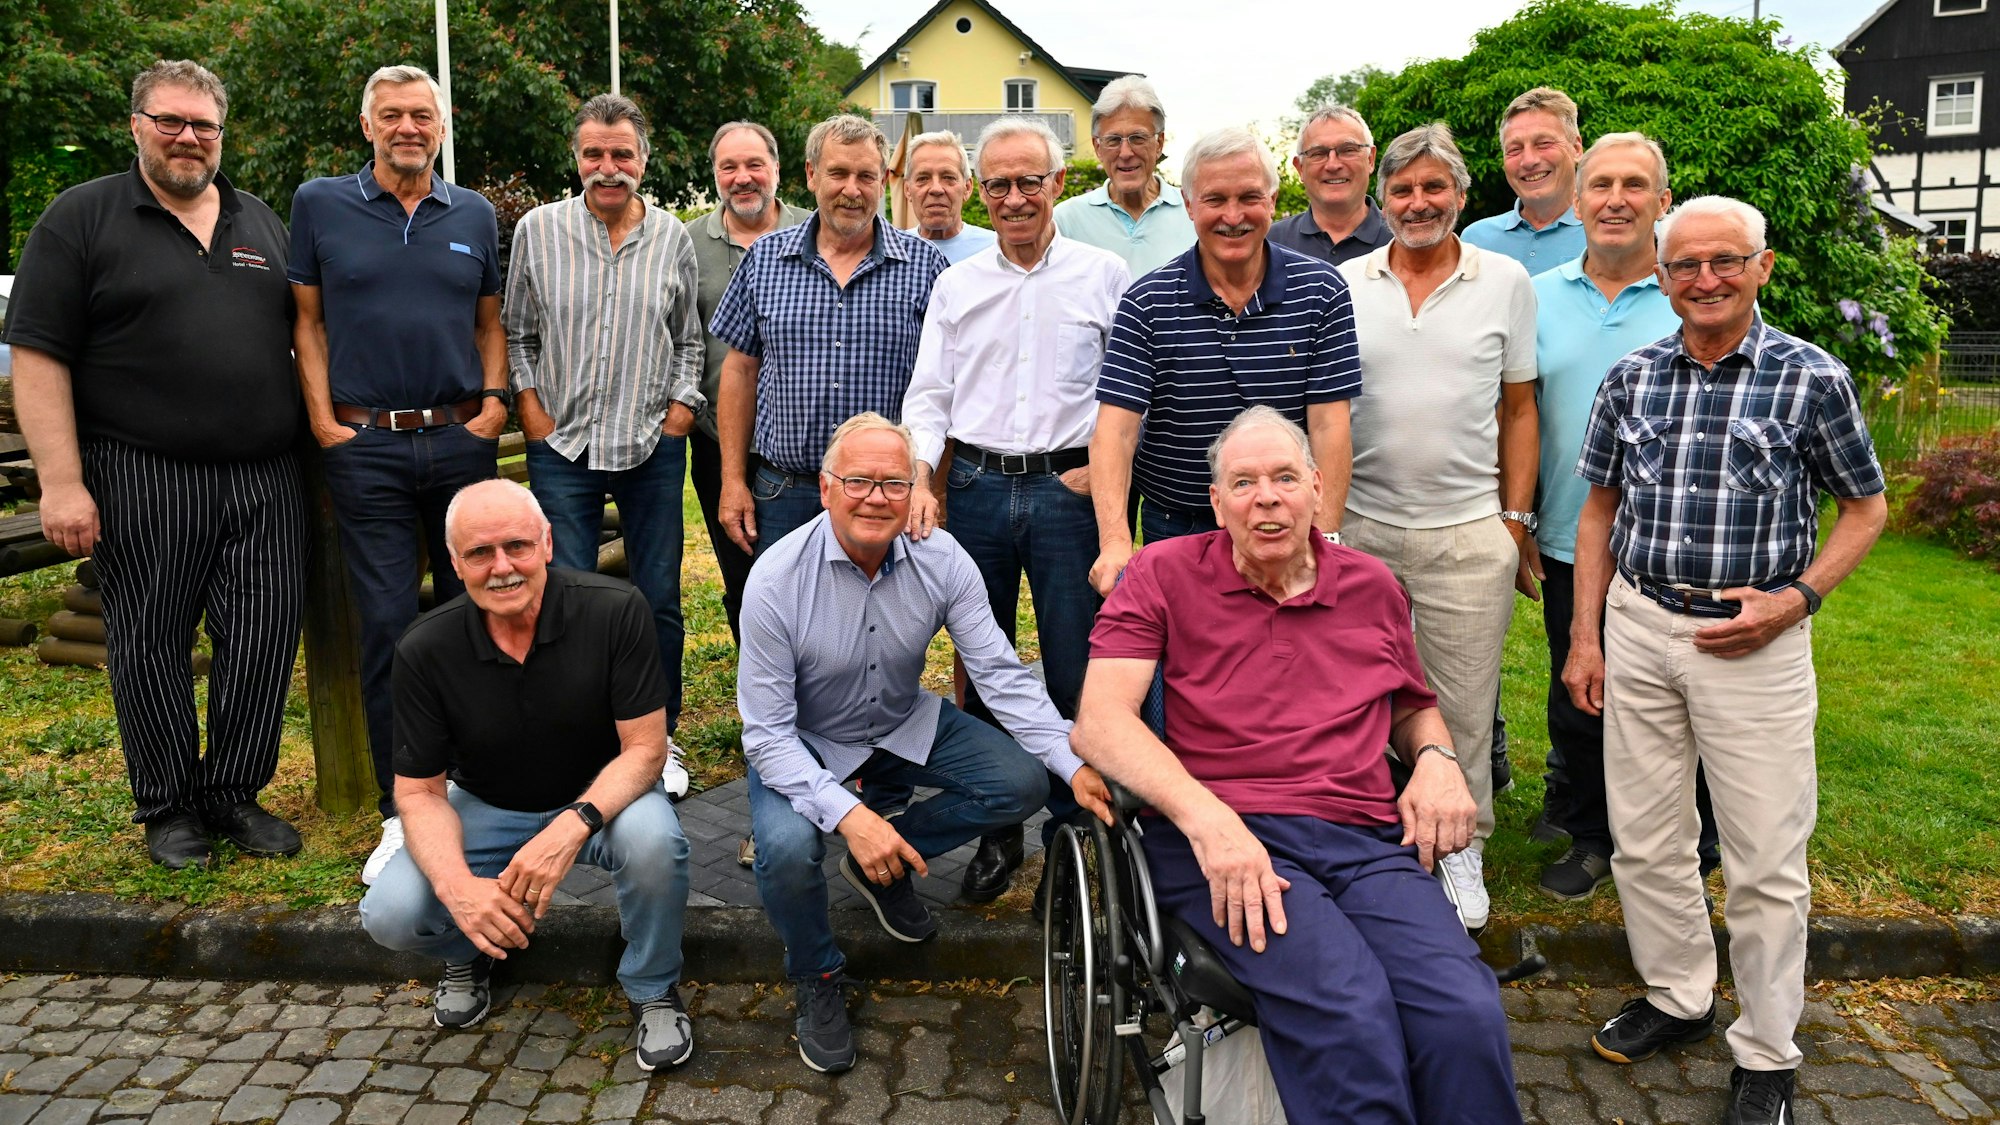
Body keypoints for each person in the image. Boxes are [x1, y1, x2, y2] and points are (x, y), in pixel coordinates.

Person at [1072, 406, 1521, 1125]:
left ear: (1317, 487)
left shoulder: (1371, 585)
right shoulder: (1162, 572)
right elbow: (1100, 721)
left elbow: (1411, 706)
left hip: (1362, 836)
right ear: (1216, 501)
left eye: (1284, 478)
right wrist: (1208, 820)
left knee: (1463, 1011)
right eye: (1243, 483)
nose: (1267, 499)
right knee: (1349, 1010)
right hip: (1222, 837)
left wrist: (1437, 759)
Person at [1567, 197, 1886, 1125]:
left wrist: (1797, 598)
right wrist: (1586, 636)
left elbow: (1865, 507)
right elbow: (1598, 510)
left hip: (1756, 641)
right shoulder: (1631, 377)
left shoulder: (1811, 378)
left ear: (1762, 267)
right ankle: (1679, 995)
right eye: (1686, 265)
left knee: (1765, 856)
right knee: (1645, 837)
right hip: (1639, 625)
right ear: (1661, 277)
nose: (1705, 280)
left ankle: (1769, 1051)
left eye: (1726, 261)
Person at [736, 413, 1111, 1075]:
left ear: (915, 491)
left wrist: (1071, 761)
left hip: (900, 720)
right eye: (858, 481)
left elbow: (1000, 675)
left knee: (1021, 782)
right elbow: (765, 735)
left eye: (893, 482)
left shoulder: (943, 558)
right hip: (806, 740)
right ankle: (817, 974)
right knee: (787, 850)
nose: (875, 497)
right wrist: (851, 818)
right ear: (825, 488)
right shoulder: (776, 578)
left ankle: (884, 863)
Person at [5, 60, 307, 869]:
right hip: (143, 471)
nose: (187, 137)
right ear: (136, 125)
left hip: (265, 474)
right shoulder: (82, 218)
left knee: (262, 637)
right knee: (151, 641)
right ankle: (169, 806)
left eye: (203, 124)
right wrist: (61, 482)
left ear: (222, 133)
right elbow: (37, 356)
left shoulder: (258, 220)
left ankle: (233, 792)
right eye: (169, 121)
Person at [359, 480, 694, 1072]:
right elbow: (418, 791)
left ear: (547, 543)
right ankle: (475, 946)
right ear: (455, 563)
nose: (502, 567)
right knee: (390, 912)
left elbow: (646, 750)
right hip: (487, 802)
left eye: (516, 545)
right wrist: (460, 891)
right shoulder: (424, 646)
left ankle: (653, 985)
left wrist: (571, 826)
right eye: (479, 553)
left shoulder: (616, 609)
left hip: (601, 798)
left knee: (656, 845)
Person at [901, 116, 1131, 903]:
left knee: (1076, 665)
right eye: (997, 184)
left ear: (1058, 183)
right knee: (982, 662)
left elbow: (1129, 391)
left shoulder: (1105, 275)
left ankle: (1072, 834)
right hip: (977, 490)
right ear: (981, 192)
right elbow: (929, 395)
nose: (1014, 197)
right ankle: (998, 827)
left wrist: (1103, 473)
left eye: (1029, 180)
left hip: (1069, 492)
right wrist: (923, 479)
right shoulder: (957, 285)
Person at [289, 64, 508, 884]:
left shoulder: (473, 212)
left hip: (458, 440)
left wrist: (493, 403)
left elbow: (490, 323)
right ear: (367, 125)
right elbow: (307, 323)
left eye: (421, 115)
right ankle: (400, 806)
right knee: (386, 626)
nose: (408, 127)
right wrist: (324, 423)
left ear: (441, 127)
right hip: (367, 446)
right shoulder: (320, 204)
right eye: (392, 115)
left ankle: (476, 786)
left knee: (475, 618)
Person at [1336, 123, 1539, 933]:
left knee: (1462, 703)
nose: (1418, 202)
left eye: (1433, 187)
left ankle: (1462, 842)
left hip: (1467, 532)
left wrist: (1513, 523)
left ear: (1460, 193)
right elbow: (1325, 411)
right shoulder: (1347, 282)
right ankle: (1370, 835)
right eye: (1403, 189)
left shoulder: (1506, 280)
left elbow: (1520, 407)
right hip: (1362, 527)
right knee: (1358, 698)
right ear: (1381, 199)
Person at [1529, 132, 1721, 901]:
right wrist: (1518, 517)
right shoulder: (1534, 295)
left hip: (1680, 544)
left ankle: (1697, 834)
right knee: (1581, 688)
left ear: (1662, 201)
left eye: (1634, 185)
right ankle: (1589, 834)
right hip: (1568, 532)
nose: (1616, 200)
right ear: (1576, 202)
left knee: (1689, 695)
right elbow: (1515, 412)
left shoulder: (1694, 292)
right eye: (1600, 185)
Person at [504, 93, 701, 798]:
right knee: (562, 597)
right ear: (577, 158)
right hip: (562, 445)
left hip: (650, 444)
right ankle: (579, 739)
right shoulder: (538, 230)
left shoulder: (672, 237)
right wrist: (532, 411)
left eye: (622, 154)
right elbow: (518, 332)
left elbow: (688, 339)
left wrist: (680, 412)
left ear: (643, 161)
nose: (607, 167)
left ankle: (659, 738)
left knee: (658, 599)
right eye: (594, 153)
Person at [1088, 125, 1360, 597]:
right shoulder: (1146, 302)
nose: (1233, 216)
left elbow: (1329, 425)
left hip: (1283, 518)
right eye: (1215, 199)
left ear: (1272, 201)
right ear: (1189, 206)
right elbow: (1116, 432)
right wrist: (1114, 542)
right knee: (1183, 646)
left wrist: (1325, 534)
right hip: (1179, 525)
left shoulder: (1323, 291)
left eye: (1249, 197)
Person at [709, 113, 949, 559]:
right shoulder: (764, 259)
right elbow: (739, 371)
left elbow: (947, 385)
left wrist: (930, 486)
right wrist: (733, 480)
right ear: (811, 174)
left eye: (866, 176)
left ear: (883, 180)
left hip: (885, 498)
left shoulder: (926, 267)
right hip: (784, 492)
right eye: (838, 173)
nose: (851, 190)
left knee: (887, 605)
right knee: (780, 604)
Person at [688, 121, 810, 646]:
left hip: (805, 448)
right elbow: (680, 339)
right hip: (721, 444)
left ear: (777, 170)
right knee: (745, 581)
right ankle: (762, 691)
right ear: (715, 174)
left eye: (754, 164)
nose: (743, 177)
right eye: (729, 167)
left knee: (816, 581)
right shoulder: (688, 244)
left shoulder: (817, 231)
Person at [1052, 76, 1195, 277]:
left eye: (1138, 138)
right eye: (1113, 140)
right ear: (1097, 147)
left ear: (1159, 143)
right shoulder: (1065, 221)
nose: (1126, 153)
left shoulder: (1194, 213)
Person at [1462, 87, 1587, 276]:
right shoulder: (1476, 241)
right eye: (1514, 149)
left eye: (1543, 143)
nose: (1529, 161)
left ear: (1576, 149)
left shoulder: (1610, 234)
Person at [1268, 104, 1393, 266]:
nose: (1333, 165)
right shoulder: (1269, 245)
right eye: (1318, 153)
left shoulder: (1403, 238)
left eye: (1348, 150)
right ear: (1300, 168)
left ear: (1370, 159)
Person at [903, 130, 995, 264]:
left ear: (967, 188)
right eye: (923, 178)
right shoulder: (894, 251)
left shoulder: (995, 249)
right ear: (907, 190)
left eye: (948, 177)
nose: (936, 189)